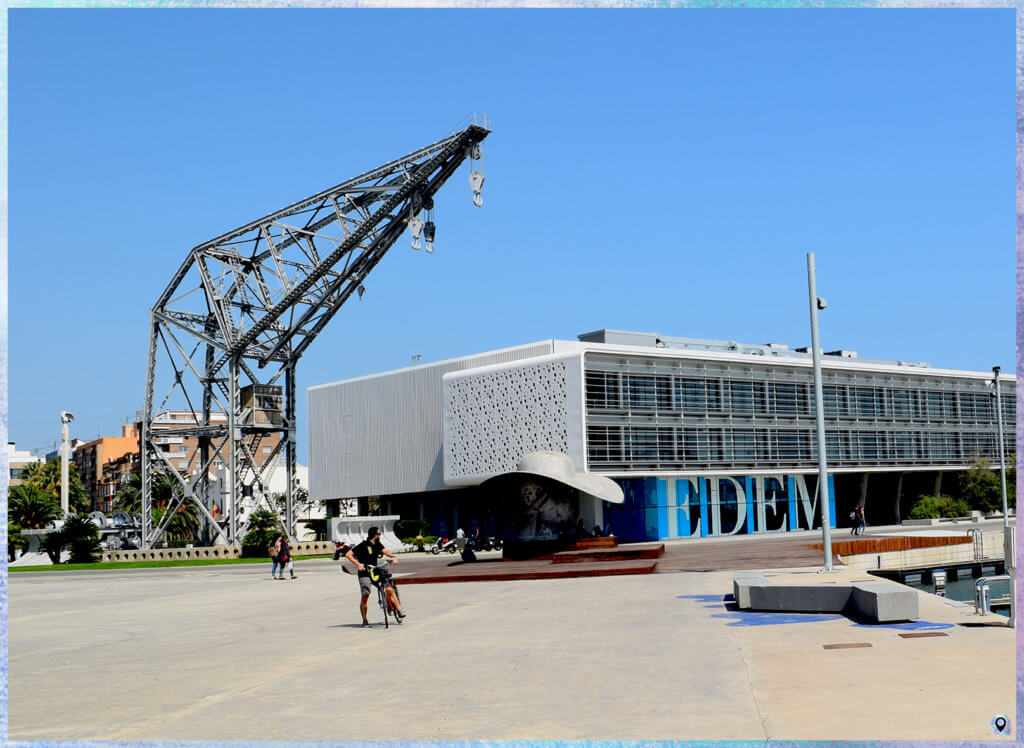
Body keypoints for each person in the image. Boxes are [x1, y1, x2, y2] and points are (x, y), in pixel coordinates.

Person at [345, 526, 404, 627]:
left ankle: (399, 610)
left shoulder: (377, 544)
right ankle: (365, 620)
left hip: (375, 570)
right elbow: (348, 554)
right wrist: (358, 565)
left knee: (388, 588)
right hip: (365, 572)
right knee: (365, 594)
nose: (380, 535)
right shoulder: (363, 545)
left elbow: (385, 551)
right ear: (375, 535)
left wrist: (393, 557)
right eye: (379, 534)